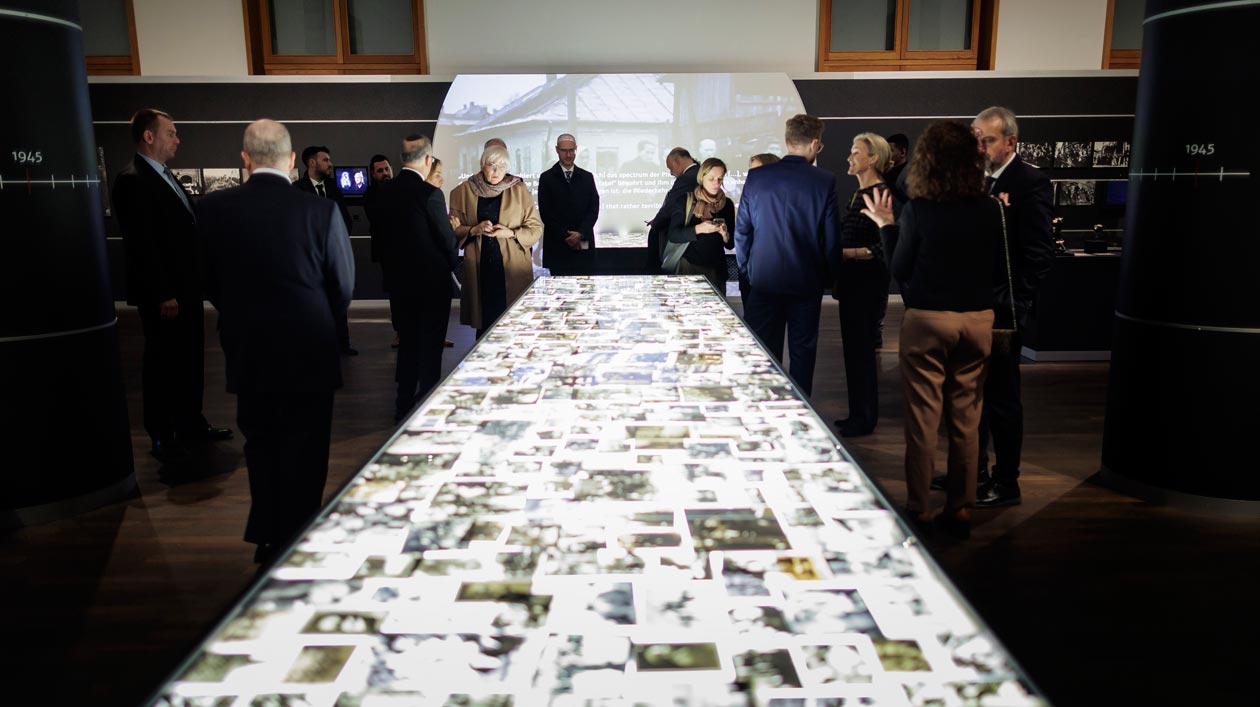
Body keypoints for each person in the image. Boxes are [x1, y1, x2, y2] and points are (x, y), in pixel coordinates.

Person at [198, 119, 354, 563]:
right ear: (291, 160)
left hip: (248, 347)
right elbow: (342, 285)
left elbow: (208, 281)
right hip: (309, 347)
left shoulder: (213, 210)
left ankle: (268, 534)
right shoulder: (320, 211)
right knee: (309, 444)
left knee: (261, 442)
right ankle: (302, 533)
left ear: (245, 159)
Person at [860, 120, 1006, 539]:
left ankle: (920, 506)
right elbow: (998, 271)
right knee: (967, 418)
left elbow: (900, 269)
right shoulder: (990, 208)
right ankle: (962, 506)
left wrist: (888, 226)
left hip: (927, 320)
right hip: (978, 321)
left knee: (923, 419)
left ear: (927, 161)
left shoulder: (921, 211)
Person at [111, 108, 231, 465]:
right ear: (149, 137)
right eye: (172, 133)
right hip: (165, 294)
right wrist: (163, 291)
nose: (178, 139)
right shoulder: (132, 179)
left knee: (190, 358)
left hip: (187, 288)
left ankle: (191, 423)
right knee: (163, 363)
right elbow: (141, 244)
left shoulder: (166, 176)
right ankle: (162, 434)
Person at [956, 106, 1055, 508]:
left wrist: (1017, 300)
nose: (980, 146)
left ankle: (1006, 480)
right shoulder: (971, 181)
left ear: (1010, 141)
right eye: (976, 138)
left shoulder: (1029, 181)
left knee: (1001, 398)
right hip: (969, 307)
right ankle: (972, 472)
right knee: (968, 395)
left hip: (1004, 312)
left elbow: (1039, 252)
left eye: (988, 139)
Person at [733, 114, 841, 396]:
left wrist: (747, 270)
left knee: (764, 354)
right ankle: (801, 409)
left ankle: (766, 407)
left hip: (763, 280)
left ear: (787, 140)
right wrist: (829, 277)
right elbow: (831, 239)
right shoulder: (824, 180)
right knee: (803, 353)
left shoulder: (757, 177)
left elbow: (742, 231)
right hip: (806, 281)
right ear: (815, 144)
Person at [374, 135, 461, 421]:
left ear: (401, 159)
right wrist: (452, 266)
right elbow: (446, 240)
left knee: (408, 343)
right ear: (427, 159)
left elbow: (381, 241)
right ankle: (427, 406)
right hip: (431, 284)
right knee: (431, 345)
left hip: (399, 283)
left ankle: (402, 405)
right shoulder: (430, 193)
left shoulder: (383, 193)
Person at [832, 133, 897, 438]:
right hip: (852, 283)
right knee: (854, 354)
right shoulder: (859, 194)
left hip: (866, 284)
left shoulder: (882, 194)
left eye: (856, 152)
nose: (850, 156)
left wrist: (846, 253)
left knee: (861, 354)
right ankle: (858, 413)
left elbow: (885, 247)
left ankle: (864, 417)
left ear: (873, 158)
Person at [449, 146, 543, 337]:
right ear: (483, 165)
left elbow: (535, 229)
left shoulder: (518, 189)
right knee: (484, 325)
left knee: (512, 325)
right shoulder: (463, 191)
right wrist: (474, 229)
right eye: (492, 165)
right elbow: (453, 233)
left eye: (502, 167)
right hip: (480, 268)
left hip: (512, 268)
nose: (496, 171)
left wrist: (511, 233)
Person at [296, 144, 357, 356]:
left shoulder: (334, 188)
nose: (330, 164)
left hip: (333, 256)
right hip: (310, 258)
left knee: (338, 300)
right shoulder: (297, 190)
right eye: (325, 160)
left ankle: (342, 344)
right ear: (312, 163)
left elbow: (345, 220)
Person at [665, 157, 734, 292]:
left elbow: (730, 244)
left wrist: (725, 234)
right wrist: (699, 229)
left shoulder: (727, 204)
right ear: (702, 178)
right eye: (711, 178)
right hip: (690, 267)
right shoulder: (686, 200)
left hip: (716, 270)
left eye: (720, 179)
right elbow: (673, 235)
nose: (716, 183)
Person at [538, 133, 600, 276]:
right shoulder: (546, 178)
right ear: (557, 150)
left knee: (585, 291)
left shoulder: (587, 177)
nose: (568, 155)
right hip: (557, 246)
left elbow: (593, 210)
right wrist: (567, 236)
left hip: (583, 244)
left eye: (571, 150)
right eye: (564, 150)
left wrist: (580, 233)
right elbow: (546, 213)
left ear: (576, 150)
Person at [364, 154, 399, 349]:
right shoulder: (370, 194)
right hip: (388, 253)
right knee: (396, 294)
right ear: (373, 173)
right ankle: (400, 332)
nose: (385, 173)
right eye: (380, 170)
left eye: (387, 169)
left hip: (408, 250)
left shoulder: (400, 189)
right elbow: (379, 219)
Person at [646, 147, 699, 272]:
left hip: (683, 237)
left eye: (670, 168)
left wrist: (656, 223)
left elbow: (670, 206)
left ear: (677, 161)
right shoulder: (699, 171)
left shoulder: (686, 179)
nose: (670, 173)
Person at [424, 158, 458, 349]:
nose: (442, 180)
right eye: (437, 175)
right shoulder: (434, 195)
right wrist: (455, 231)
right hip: (435, 270)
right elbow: (445, 237)